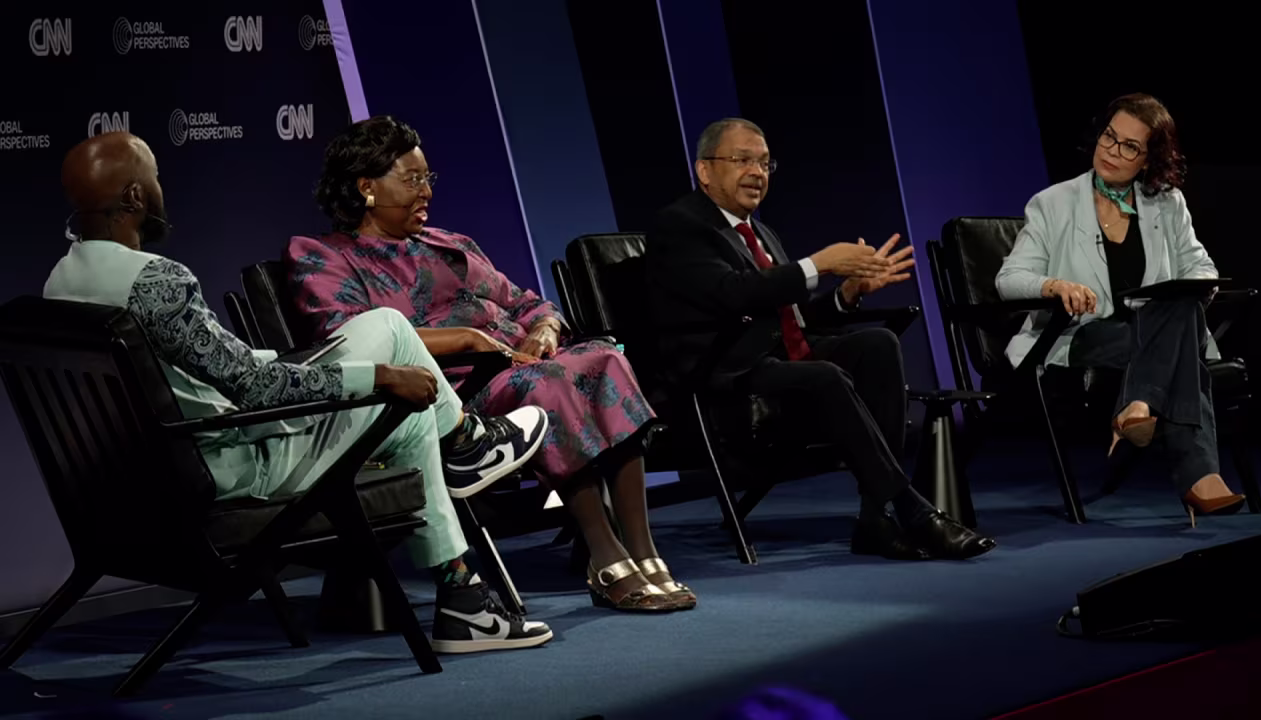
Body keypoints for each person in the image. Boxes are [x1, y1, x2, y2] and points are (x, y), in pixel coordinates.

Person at [45, 132, 556, 653]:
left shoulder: (62, 280)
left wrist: (290, 360)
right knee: (396, 353)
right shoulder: (158, 282)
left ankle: (465, 581)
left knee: (396, 359)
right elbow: (254, 390)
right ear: (134, 197)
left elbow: (216, 368)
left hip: (148, 476)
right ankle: (466, 453)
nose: (161, 189)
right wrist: (378, 377)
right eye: (155, 178)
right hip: (236, 464)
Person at [284, 116, 692, 612]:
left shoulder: (450, 245)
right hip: (451, 397)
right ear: (366, 187)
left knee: (606, 358)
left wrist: (545, 329)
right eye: (411, 180)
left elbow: (528, 303)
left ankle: (644, 552)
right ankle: (606, 557)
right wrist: (468, 338)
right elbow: (349, 338)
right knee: (549, 384)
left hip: (524, 364)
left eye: (428, 178)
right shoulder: (324, 257)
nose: (426, 191)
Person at [646, 118, 995, 561]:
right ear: (705, 170)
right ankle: (914, 510)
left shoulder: (762, 233)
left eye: (765, 163)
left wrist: (846, 295)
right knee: (825, 376)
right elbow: (732, 294)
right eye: (742, 160)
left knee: (877, 345)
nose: (757, 172)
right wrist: (818, 264)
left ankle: (874, 518)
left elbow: (790, 320)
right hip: (722, 373)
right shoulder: (680, 225)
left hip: (773, 360)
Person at [995, 93, 1243, 523]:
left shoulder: (1166, 202)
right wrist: (1054, 285)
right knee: (1182, 344)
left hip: (1152, 331)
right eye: (1109, 137)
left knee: (1182, 306)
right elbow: (1009, 279)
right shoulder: (1052, 203)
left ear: (1148, 160)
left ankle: (1137, 405)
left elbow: (1201, 266)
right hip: (1081, 333)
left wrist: (1197, 287)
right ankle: (1200, 474)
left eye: (1130, 146)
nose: (1112, 151)